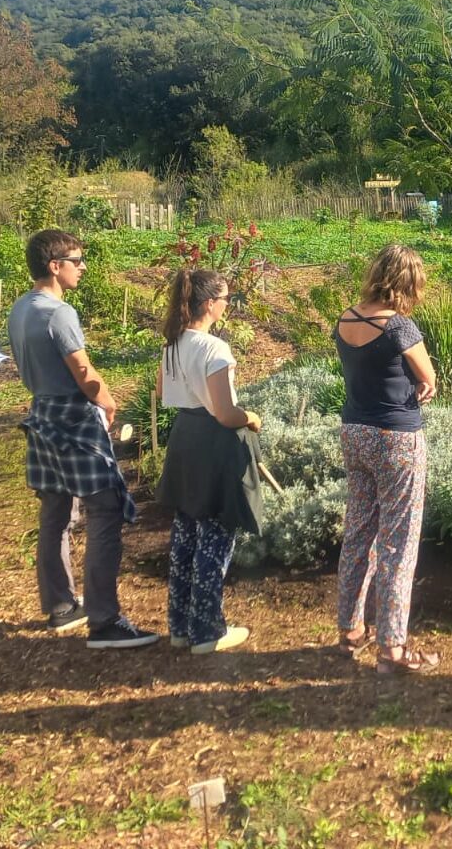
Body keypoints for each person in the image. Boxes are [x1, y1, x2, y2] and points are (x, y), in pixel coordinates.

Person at [6, 229, 158, 648]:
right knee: (105, 510)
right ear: (55, 266)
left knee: (55, 511)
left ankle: (60, 606)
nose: (83, 266)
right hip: (73, 416)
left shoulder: (19, 308)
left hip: (42, 413)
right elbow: (86, 376)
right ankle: (105, 621)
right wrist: (109, 404)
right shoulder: (59, 314)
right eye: (77, 260)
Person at [334, 244, 439, 674]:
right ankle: (393, 648)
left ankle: (350, 628)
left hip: (354, 432)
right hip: (396, 438)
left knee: (359, 531)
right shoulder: (400, 327)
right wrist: (423, 385)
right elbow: (427, 377)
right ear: (406, 284)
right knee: (399, 541)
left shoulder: (344, 320)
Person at [156, 269, 264, 653]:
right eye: (225, 299)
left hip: (184, 437)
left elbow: (162, 390)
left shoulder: (173, 342)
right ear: (209, 303)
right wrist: (250, 417)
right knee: (216, 533)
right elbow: (225, 413)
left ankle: (180, 626)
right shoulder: (214, 349)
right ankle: (207, 631)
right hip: (212, 443)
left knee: (186, 531)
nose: (227, 304)